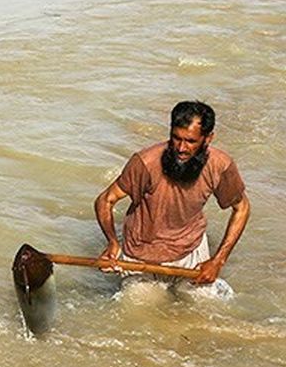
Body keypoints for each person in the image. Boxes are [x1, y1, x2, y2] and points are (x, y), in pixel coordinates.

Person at [94, 101, 250, 287]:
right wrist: (112, 242)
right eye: (176, 138)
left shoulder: (220, 165)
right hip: (141, 256)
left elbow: (242, 208)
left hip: (190, 252)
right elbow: (105, 200)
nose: (181, 149)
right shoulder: (145, 162)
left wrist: (218, 260)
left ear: (208, 139)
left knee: (205, 311)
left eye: (191, 141)